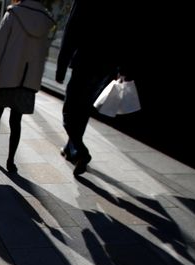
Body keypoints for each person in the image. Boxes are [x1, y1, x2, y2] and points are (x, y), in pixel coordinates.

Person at [0, 0, 54, 172]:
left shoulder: (13, 14)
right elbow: (43, 54)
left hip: (7, 75)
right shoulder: (44, 20)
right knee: (16, 121)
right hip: (28, 79)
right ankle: (11, 160)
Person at [55, 0, 128, 175]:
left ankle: (80, 151)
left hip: (85, 62)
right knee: (83, 109)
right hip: (105, 67)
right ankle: (70, 149)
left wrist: (61, 66)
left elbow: (71, 31)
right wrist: (121, 68)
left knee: (69, 110)